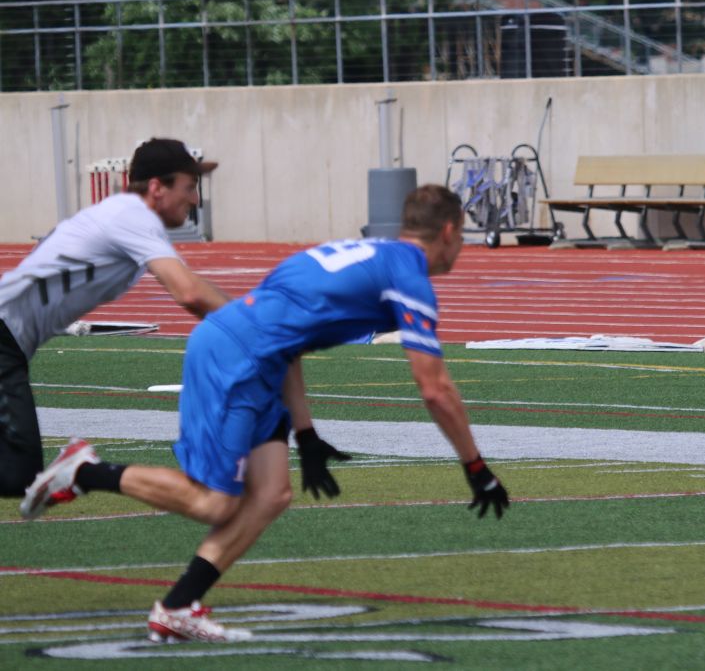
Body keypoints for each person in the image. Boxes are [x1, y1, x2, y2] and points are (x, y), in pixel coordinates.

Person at [20, 184, 509, 644]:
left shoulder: (357, 254)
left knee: (272, 493)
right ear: (448, 231)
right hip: (237, 360)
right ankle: (85, 471)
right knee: (214, 504)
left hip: (258, 358)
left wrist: (307, 434)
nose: (461, 247)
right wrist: (475, 466)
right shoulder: (409, 276)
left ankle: (178, 607)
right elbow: (435, 388)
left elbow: (288, 334)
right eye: (461, 236)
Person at [1, 138, 228, 503]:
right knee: (17, 476)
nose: (195, 199)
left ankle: (80, 471)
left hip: (9, 343)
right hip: (3, 338)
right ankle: (81, 470)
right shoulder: (133, 217)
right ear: (157, 187)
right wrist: (255, 325)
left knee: (17, 476)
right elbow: (189, 293)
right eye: (189, 187)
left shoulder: (126, 216)